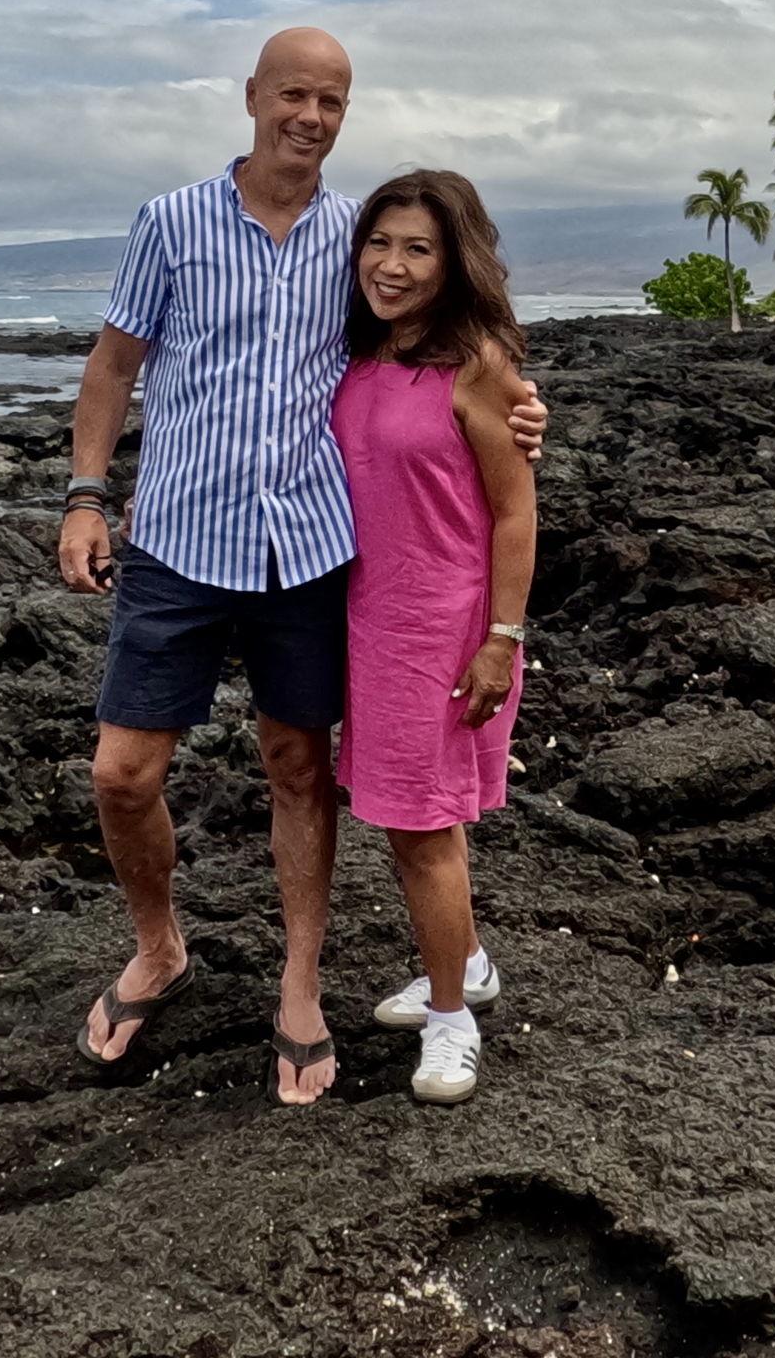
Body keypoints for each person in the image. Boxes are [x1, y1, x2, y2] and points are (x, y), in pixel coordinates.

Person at [57, 27, 544, 1105]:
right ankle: (158, 945)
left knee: (296, 766)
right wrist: (86, 495)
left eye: (330, 99)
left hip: (309, 554)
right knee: (119, 772)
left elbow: (438, 355)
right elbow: (114, 362)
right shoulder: (172, 221)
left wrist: (514, 410)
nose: (309, 116)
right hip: (179, 539)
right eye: (292, 94)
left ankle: (299, 981)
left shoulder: (356, 238)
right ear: (251, 97)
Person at [333, 169, 535, 1105]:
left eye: (419, 248)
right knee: (410, 816)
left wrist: (502, 635)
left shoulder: (478, 363)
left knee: (422, 825)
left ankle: (453, 1019)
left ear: (456, 261)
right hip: (367, 619)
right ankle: (472, 964)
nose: (393, 265)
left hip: (446, 626)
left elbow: (513, 509)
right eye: (381, 243)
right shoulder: (356, 352)